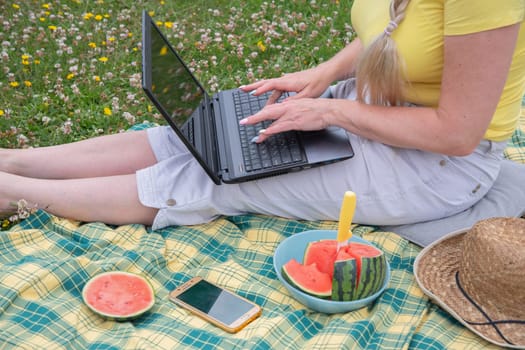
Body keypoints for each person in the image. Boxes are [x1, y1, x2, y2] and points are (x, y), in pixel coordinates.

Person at [1, 0, 524, 230]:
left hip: (435, 164)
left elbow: (456, 133)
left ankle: (14, 194)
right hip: (369, 106)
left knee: (223, 179)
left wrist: (333, 110)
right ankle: (17, 161)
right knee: (207, 132)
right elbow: (391, 33)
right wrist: (322, 75)